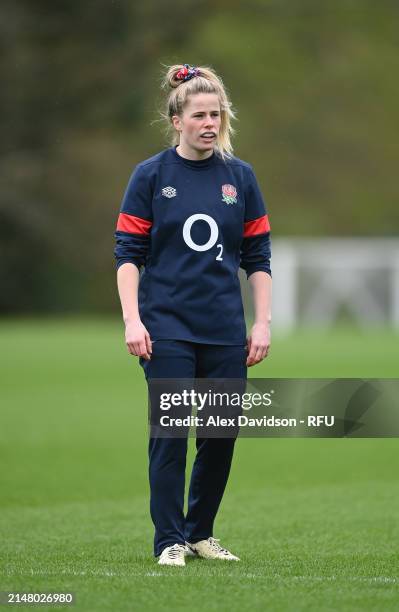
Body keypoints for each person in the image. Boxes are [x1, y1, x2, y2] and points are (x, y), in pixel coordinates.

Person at [114, 63, 272, 566]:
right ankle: (170, 541)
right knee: (170, 434)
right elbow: (127, 255)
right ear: (177, 119)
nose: (209, 122)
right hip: (167, 328)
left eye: (216, 114)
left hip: (225, 330)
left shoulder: (240, 178)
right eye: (199, 114)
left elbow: (258, 259)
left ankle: (201, 533)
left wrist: (262, 322)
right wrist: (133, 320)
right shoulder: (151, 175)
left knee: (220, 436)